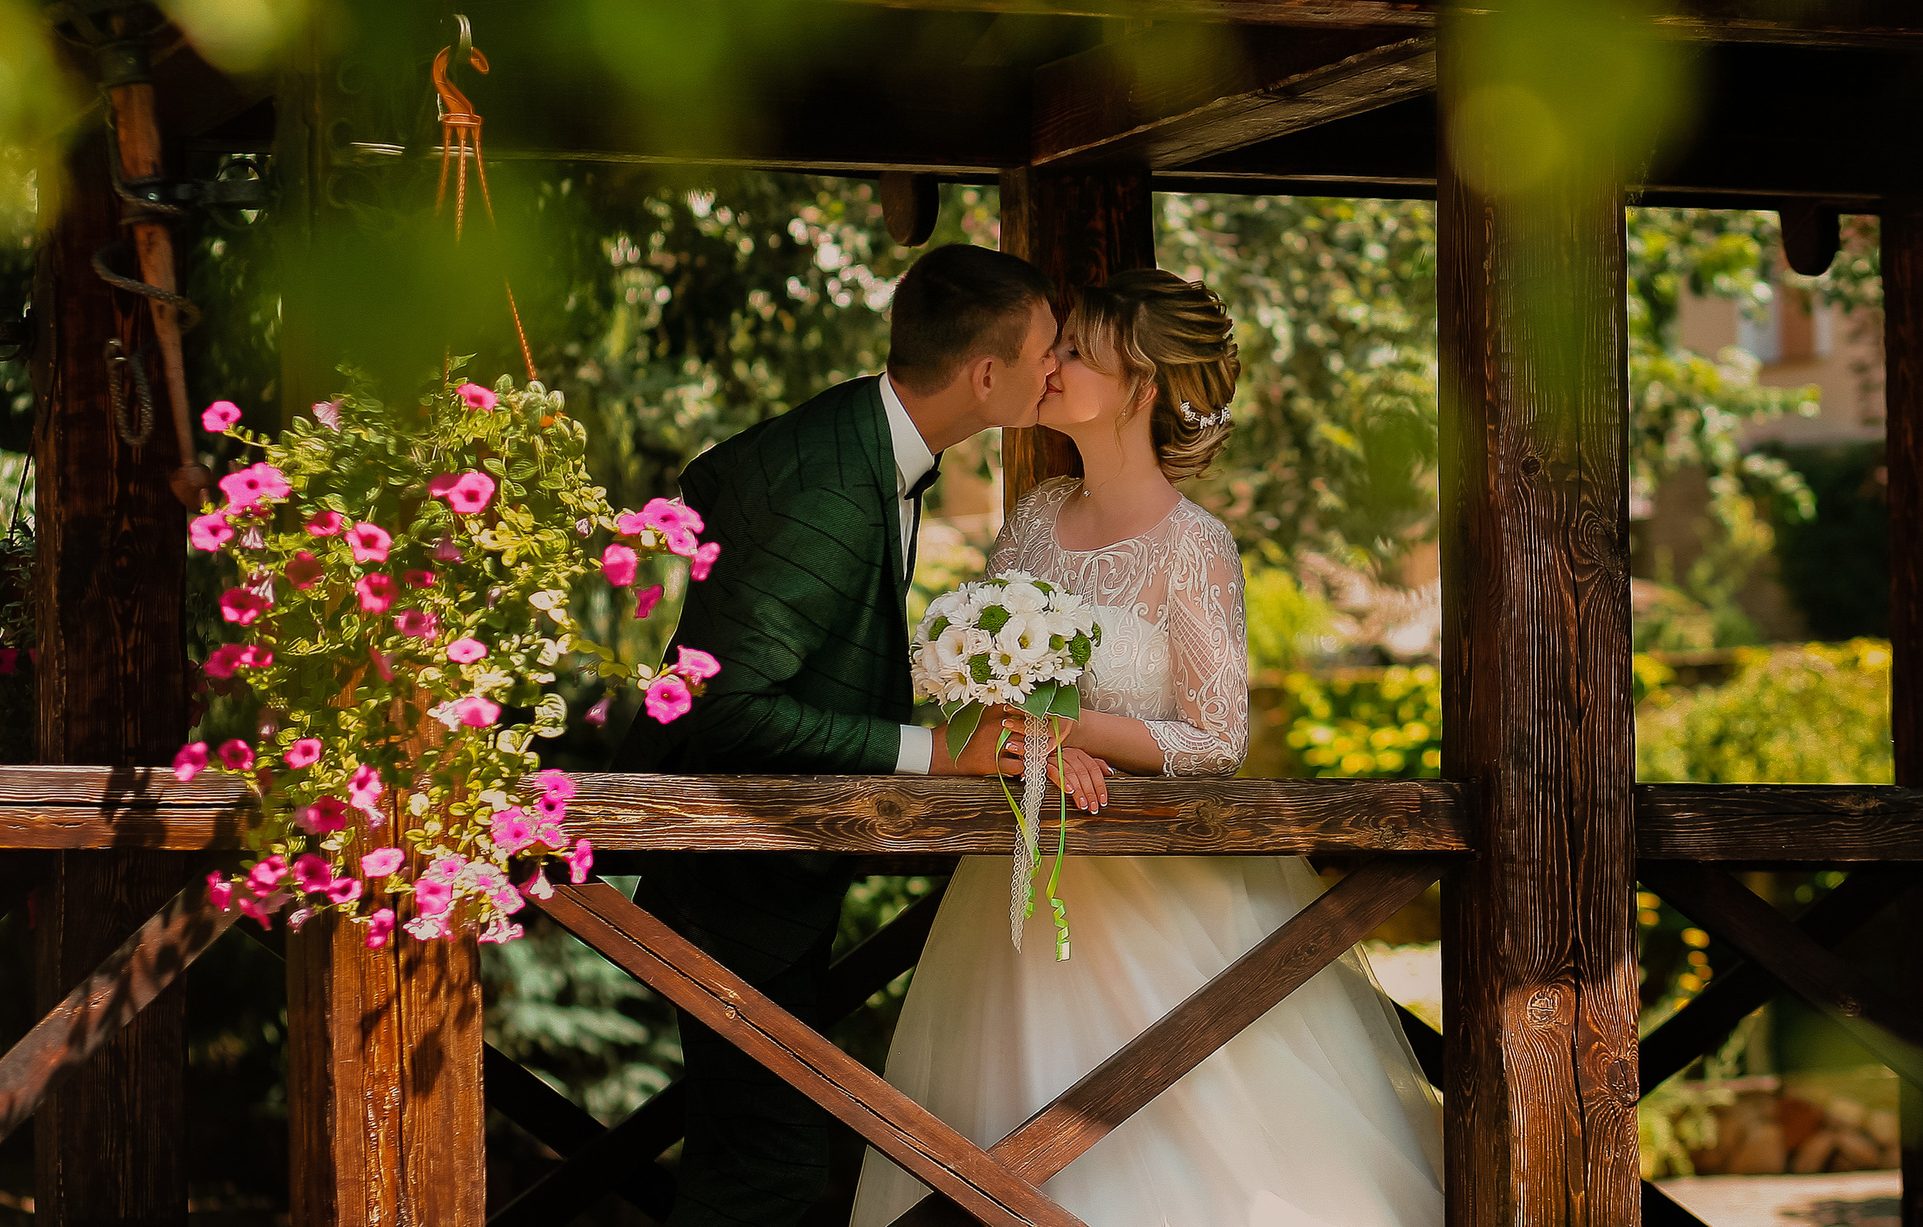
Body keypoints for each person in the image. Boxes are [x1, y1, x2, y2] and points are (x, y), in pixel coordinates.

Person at [850, 268, 1446, 1227]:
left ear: (1142, 387)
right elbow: (974, 692)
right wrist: (1027, 737)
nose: (1052, 364)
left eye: (1077, 351)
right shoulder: (1035, 515)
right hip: (1018, 904)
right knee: (1005, 1142)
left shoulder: (1194, 545)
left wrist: (1070, 727)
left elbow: (1215, 738)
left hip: (1168, 902)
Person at [616, 240, 1056, 1227]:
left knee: (756, 1158)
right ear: (987, 375)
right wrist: (933, 753)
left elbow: (715, 478)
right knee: (768, 1168)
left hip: (768, 867)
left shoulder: (864, 436)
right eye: (1046, 352)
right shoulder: (829, 485)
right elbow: (730, 707)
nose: (1056, 369)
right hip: (734, 876)